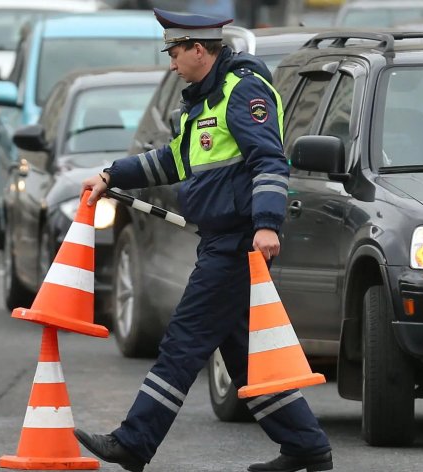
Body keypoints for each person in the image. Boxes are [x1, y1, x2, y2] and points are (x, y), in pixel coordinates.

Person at [75, 8, 333, 472]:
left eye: (174, 52)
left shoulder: (242, 90)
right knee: (247, 358)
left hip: (237, 245)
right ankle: (306, 447)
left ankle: (134, 443)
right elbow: (172, 161)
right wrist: (112, 174)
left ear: (199, 49)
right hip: (219, 240)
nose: (171, 63)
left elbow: (270, 162)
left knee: (183, 343)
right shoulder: (200, 104)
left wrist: (267, 223)